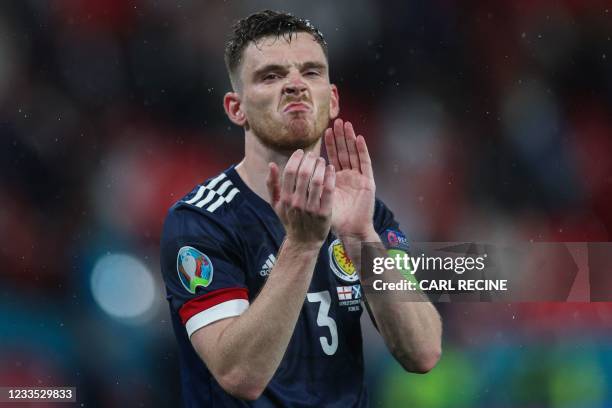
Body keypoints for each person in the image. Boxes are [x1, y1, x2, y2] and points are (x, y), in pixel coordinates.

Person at [160, 10, 442, 407]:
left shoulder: (368, 215)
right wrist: (303, 245)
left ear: (333, 100)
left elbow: (423, 352)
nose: (295, 84)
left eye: (311, 72)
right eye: (271, 76)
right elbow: (239, 374)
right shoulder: (200, 221)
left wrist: (361, 237)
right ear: (235, 107)